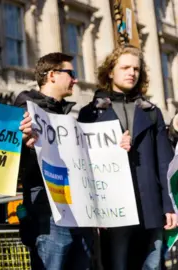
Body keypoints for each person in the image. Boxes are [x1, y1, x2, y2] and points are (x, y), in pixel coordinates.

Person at [78, 45, 177, 270]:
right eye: (125, 67)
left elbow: (165, 164)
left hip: (150, 205)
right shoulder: (90, 113)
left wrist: (169, 206)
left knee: (152, 266)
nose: (132, 72)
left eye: (136, 69)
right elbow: (83, 165)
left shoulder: (152, 111)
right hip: (113, 208)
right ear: (110, 71)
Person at [15, 52, 95, 269]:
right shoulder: (24, 112)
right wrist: (23, 143)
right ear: (52, 75)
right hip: (47, 212)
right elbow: (10, 161)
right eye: (71, 73)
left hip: (78, 209)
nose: (75, 80)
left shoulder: (67, 116)